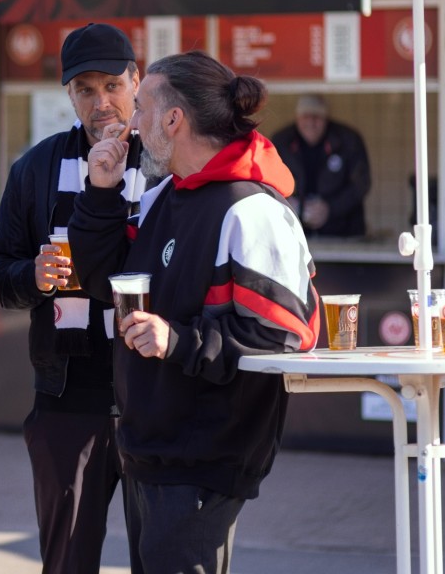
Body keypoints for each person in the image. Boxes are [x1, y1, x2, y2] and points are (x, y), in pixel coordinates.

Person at [70, 51, 320, 574]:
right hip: (148, 450)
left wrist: (177, 340)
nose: (129, 123)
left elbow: (281, 337)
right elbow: (103, 282)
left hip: (205, 458)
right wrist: (99, 194)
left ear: (173, 119)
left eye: (138, 109)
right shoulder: (164, 196)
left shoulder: (251, 210)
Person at [0, 22, 147, 573]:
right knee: (67, 562)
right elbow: (1, 277)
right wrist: (32, 275)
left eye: (111, 85)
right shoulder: (35, 169)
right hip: (67, 396)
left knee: (164, 558)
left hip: (158, 393)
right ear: (70, 96)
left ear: (137, 79)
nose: (100, 101)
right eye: (85, 89)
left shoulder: (170, 162)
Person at [271, 94, 371, 237]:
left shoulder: (348, 140)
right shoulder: (282, 141)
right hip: (294, 232)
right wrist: (286, 202)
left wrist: (330, 208)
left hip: (343, 232)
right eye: (306, 116)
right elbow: (268, 181)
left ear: (326, 119)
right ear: (297, 118)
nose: (311, 122)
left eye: (317, 116)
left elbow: (361, 183)